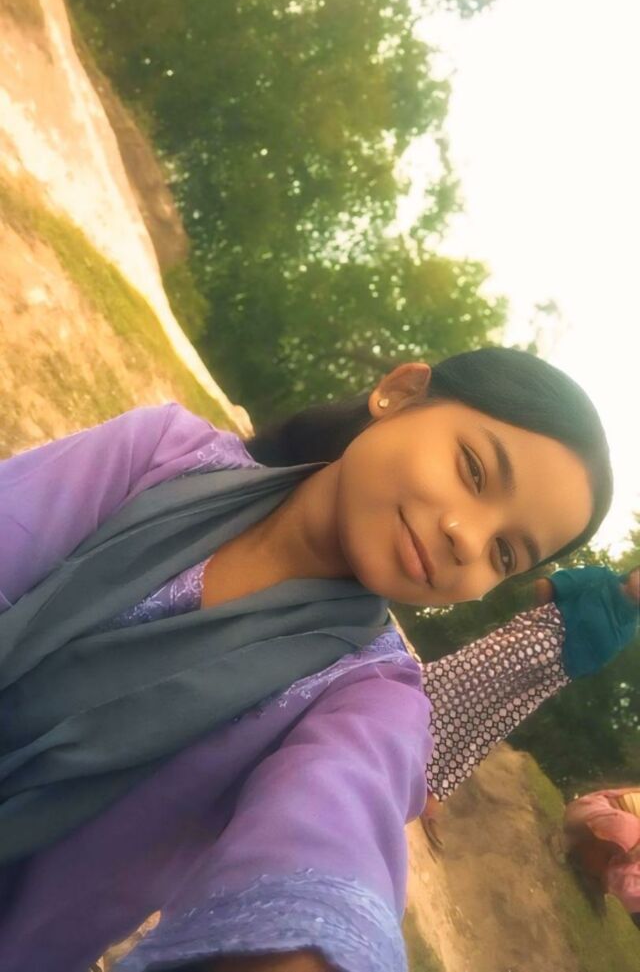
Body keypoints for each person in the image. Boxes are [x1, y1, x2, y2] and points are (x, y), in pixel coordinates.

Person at [0, 347, 613, 972]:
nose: (468, 538)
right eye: (475, 470)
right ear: (399, 394)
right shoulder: (159, 456)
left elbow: (340, 824)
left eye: (505, 554)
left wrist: (317, 944)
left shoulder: (370, 696)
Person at [418, 567, 639, 848]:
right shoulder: (600, 579)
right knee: (463, 680)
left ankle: (432, 789)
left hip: (554, 674)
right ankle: (396, 705)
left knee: (492, 722)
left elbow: (596, 660)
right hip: (532, 640)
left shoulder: (629, 627)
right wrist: (542, 628)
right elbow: (546, 585)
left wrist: (563, 669)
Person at [564, 786, 640, 922]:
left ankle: (596, 875)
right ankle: (575, 849)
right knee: (627, 828)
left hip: (619, 850)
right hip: (595, 815)